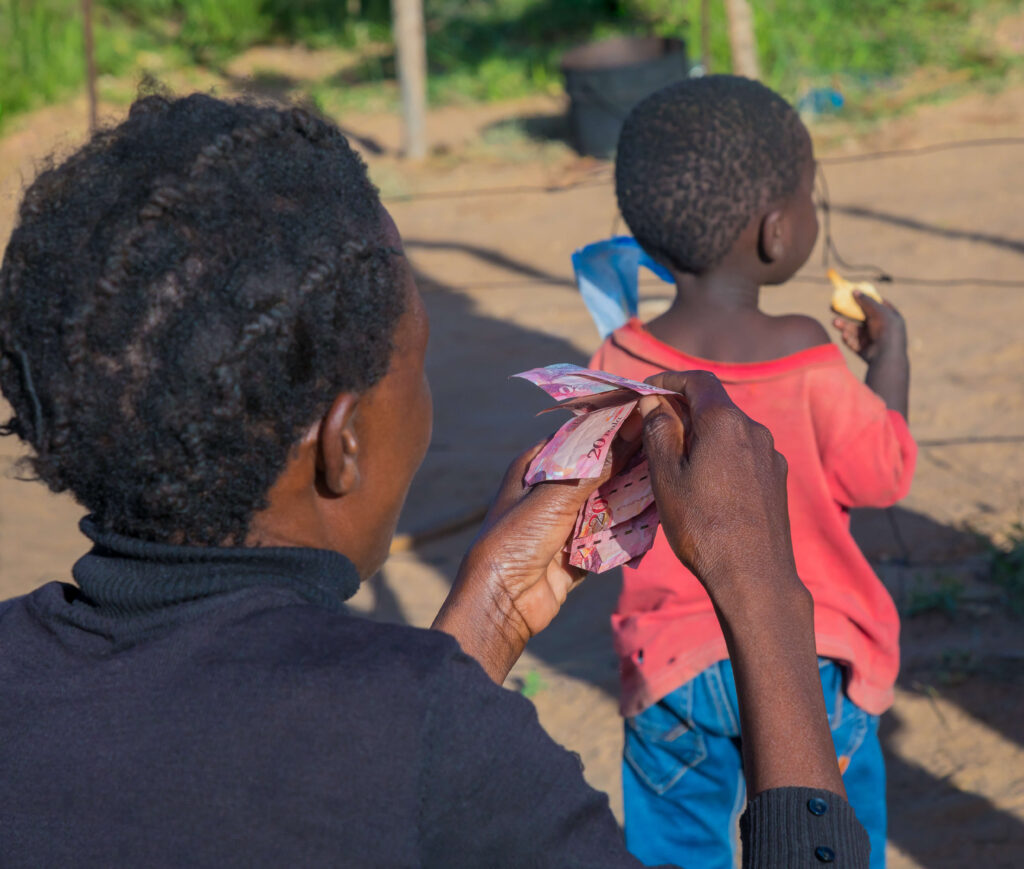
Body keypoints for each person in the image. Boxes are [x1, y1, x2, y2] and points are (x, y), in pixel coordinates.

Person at [0, 93, 868, 867]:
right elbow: (398, 773)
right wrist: (765, 598)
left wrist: (489, 617)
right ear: (342, 444)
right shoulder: (441, 744)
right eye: (418, 363)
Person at [589, 75, 916, 869]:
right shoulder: (806, 355)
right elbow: (883, 475)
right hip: (809, 663)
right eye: (809, 195)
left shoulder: (618, 358)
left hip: (670, 667)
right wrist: (890, 358)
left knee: (675, 851)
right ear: (776, 231)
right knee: (828, 839)